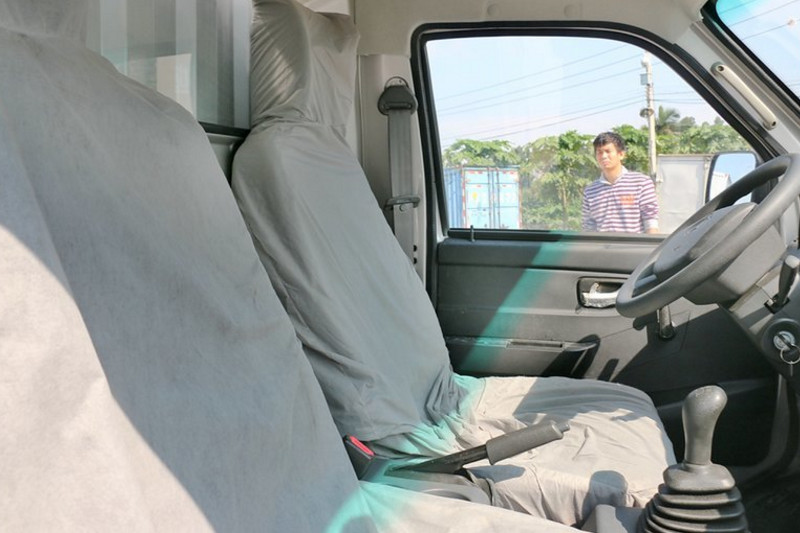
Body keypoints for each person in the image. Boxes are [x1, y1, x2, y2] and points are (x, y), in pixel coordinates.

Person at [582, 131, 659, 233]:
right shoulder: (590, 191)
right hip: (601, 244)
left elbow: (651, 222)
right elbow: (588, 229)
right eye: (599, 152)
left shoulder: (641, 183)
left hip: (632, 243)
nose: (603, 156)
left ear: (621, 154)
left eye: (608, 151)